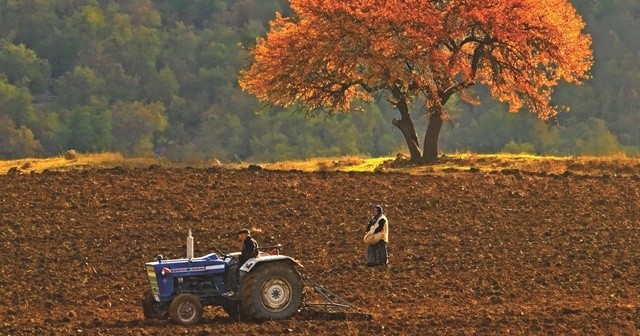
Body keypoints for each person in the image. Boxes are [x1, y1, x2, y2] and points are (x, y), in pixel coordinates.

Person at [223, 229, 259, 298]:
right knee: (230, 265)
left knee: (232, 270)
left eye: (242, 235)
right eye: (240, 235)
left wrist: (238, 257)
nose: (241, 237)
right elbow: (245, 253)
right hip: (245, 259)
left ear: (247, 235)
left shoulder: (251, 242)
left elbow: (249, 254)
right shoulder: (246, 242)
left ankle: (233, 290)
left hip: (249, 261)